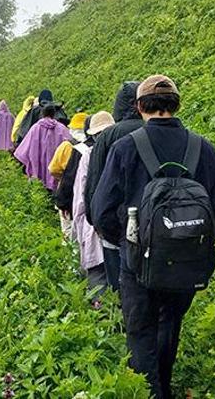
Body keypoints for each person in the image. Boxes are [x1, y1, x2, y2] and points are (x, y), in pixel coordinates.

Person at [92, 75, 215, 399]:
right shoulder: (205, 150)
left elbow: (101, 211)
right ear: (176, 105)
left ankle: (151, 392)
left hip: (137, 263)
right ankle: (163, 386)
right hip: (187, 263)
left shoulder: (125, 148)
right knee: (170, 325)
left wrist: (128, 243)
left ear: (139, 107)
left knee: (140, 333)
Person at [85, 80, 144, 289]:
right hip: (155, 226)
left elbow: (95, 183)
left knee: (120, 288)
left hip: (117, 227)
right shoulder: (155, 130)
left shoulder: (108, 136)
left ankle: (121, 319)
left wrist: (97, 221)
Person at [71, 111, 116, 306]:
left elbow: (80, 197)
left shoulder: (89, 155)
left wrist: (77, 229)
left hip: (94, 224)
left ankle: (101, 319)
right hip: (120, 228)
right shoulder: (125, 149)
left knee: (98, 277)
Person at [14, 104, 72, 191]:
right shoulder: (62, 128)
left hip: (37, 167)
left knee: (38, 190)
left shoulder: (35, 128)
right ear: (54, 114)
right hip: (54, 170)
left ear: (42, 114)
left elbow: (24, 149)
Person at [49, 112, 88, 241]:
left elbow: (53, 168)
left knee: (68, 230)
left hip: (67, 193)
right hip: (86, 194)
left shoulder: (66, 145)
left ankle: (70, 256)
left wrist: (61, 177)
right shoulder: (93, 146)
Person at [48, 112, 88, 180]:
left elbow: (53, 169)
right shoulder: (96, 144)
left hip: (70, 184)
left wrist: (63, 178)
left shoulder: (66, 146)